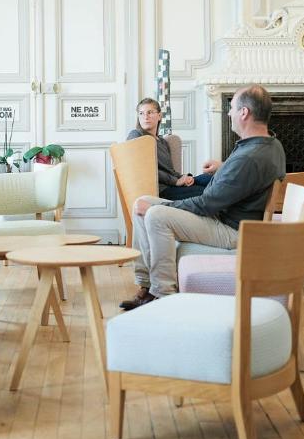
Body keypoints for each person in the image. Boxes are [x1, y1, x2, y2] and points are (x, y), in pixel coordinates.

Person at [121, 85, 286, 310]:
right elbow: (244, 174)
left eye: (232, 108)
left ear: (244, 113)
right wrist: (224, 167)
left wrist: (169, 206)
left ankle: (163, 296)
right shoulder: (270, 144)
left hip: (231, 229)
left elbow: (206, 204)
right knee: (143, 203)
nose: (229, 113)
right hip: (229, 216)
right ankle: (146, 285)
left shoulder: (249, 157)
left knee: (155, 214)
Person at [125, 98, 210, 201]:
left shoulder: (163, 142)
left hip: (172, 184)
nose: (145, 117)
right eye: (141, 113)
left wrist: (184, 177)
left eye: (150, 112)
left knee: (210, 179)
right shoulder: (136, 135)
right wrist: (175, 181)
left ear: (159, 116)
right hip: (160, 190)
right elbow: (146, 169)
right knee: (206, 191)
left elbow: (170, 170)